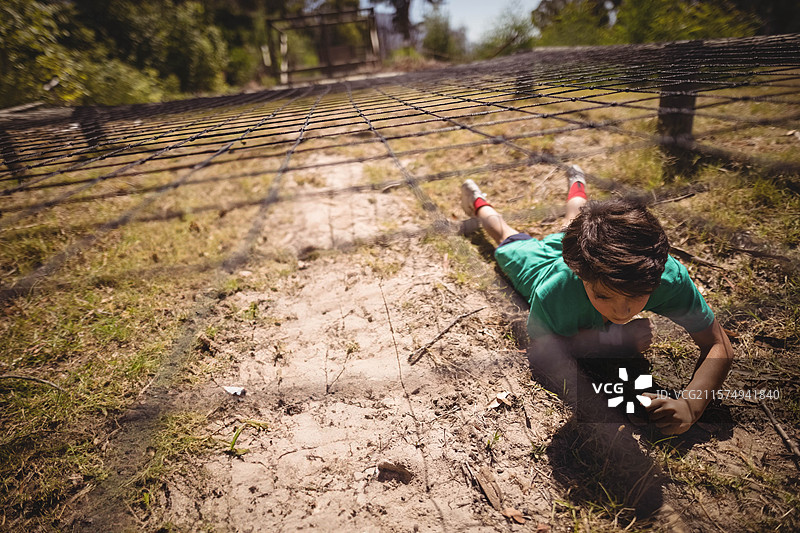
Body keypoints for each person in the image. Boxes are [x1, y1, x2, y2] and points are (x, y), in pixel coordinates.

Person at [460, 166, 733, 435]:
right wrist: (614, 340)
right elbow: (543, 350)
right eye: (603, 295)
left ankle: (577, 180)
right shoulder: (554, 292)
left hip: (586, 247)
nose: (622, 311)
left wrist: (691, 405)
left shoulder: (667, 277)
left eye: (637, 295)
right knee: (505, 237)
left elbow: (717, 343)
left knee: (573, 221)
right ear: (580, 276)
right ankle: (478, 203)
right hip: (541, 264)